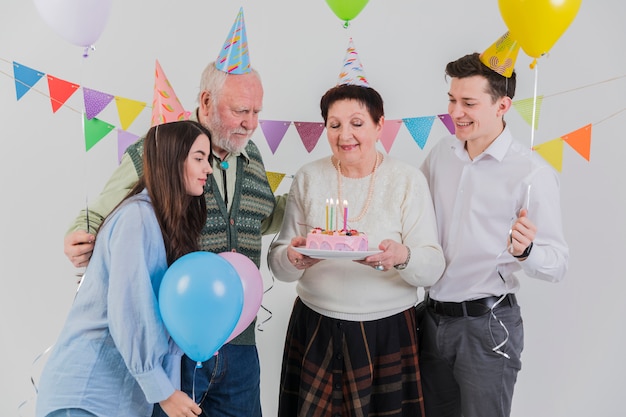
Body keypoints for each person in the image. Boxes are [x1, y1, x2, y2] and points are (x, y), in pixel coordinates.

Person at [63, 61, 284, 417]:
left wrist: (311, 204)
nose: (251, 123)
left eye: (257, 111)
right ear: (207, 101)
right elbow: (110, 207)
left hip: (240, 343)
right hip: (177, 338)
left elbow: (263, 217)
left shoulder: (253, 156)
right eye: (241, 110)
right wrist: (81, 230)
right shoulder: (162, 147)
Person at [268, 83, 446, 417]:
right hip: (315, 328)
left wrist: (401, 256)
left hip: (388, 332)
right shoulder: (308, 177)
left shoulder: (407, 180)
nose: (344, 134)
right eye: (334, 125)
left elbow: (433, 266)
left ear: (380, 125)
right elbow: (279, 261)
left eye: (357, 123)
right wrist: (293, 258)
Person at [417, 52, 569, 417]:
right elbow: (414, 217)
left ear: (503, 105)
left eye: (469, 103)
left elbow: (559, 263)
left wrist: (527, 251)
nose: (456, 112)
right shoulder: (441, 154)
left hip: (487, 327)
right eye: (452, 100)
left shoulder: (531, 173)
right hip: (431, 319)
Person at [37, 120, 212, 417]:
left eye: (207, 159)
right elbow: (129, 311)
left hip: (121, 402)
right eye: (199, 158)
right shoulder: (137, 218)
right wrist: (166, 393)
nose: (208, 169)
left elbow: (160, 323)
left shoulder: (161, 225)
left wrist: (168, 390)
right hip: (86, 396)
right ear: (171, 160)